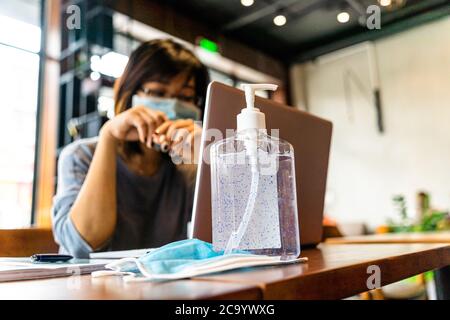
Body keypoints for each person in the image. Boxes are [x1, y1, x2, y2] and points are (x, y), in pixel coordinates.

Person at [52, 39, 210, 258]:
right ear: (129, 93)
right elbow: (85, 243)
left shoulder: (187, 169)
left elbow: (227, 238)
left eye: (185, 97)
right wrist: (108, 136)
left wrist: (209, 161)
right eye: (157, 92)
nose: (172, 106)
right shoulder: (80, 156)